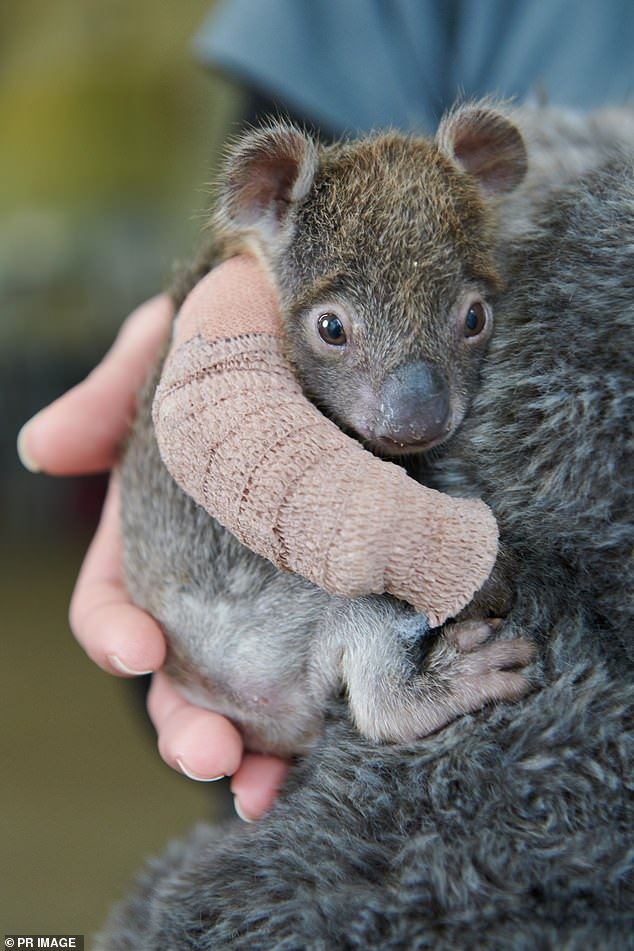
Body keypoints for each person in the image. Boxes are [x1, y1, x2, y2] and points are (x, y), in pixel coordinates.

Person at [17, 0, 634, 822]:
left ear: (489, 168)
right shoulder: (266, 267)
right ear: (264, 195)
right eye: (336, 331)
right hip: (243, 622)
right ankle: (388, 682)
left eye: (470, 321)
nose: (416, 408)